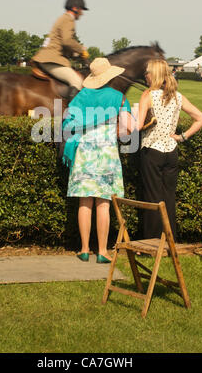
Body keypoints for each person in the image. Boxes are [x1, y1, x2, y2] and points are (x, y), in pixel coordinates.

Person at [62, 57, 136, 263]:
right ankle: (102, 251)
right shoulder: (119, 98)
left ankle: (84, 249)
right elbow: (128, 130)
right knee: (103, 204)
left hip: (84, 153)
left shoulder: (80, 97)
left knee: (84, 202)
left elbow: (67, 125)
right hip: (106, 154)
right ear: (109, 75)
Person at [137, 59, 202, 240]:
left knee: (152, 197)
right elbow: (201, 118)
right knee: (168, 197)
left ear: (154, 75)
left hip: (152, 150)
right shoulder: (177, 96)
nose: (145, 75)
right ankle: (169, 240)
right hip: (171, 151)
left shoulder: (148, 95)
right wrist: (182, 136)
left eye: (147, 72)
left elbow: (137, 126)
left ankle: (151, 243)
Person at [32, 0, 90, 101]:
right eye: (81, 9)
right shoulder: (68, 19)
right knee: (77, 81)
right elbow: (67, 41)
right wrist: (81, 49)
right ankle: (71, 112)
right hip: (51, 59)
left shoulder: (63, 18)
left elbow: (64, 45)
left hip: (50, 57)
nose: (82, 13)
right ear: (75, 8)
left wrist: (77, 55)